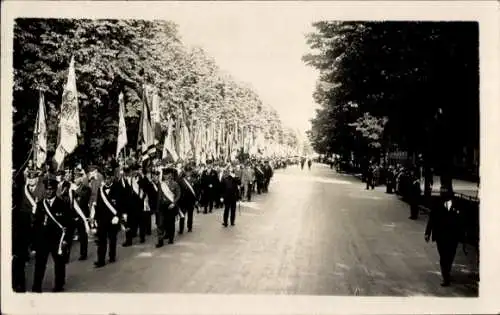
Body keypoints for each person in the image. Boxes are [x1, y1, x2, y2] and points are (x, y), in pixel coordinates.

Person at [31, 175, 73, 292]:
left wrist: (66, 241)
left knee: (59, 264)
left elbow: (69, 225)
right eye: (47, 189)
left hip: (57, 240)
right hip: (43, 240)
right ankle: (36, 287)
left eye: (51, 189)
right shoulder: (40, 205)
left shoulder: (62, 204)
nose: (48, 191)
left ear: (55, 190)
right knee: (39, 265)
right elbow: (35, 226)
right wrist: (34, 245)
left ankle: (59, 285)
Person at [425, 187, 465, 287]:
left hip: (453, 236)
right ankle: (446, 277)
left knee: (450, 256)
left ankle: (447, 270)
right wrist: (427, 233)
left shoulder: (458, 205)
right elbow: (431, 219)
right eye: (442, 194)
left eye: (446, 194)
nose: (443, 196)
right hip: (440, 236)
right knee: (443, 257)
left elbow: (462, 222)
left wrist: (463, 235)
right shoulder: (436, 204)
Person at [91, 167, 124, 268]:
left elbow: (121, 204)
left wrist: (118, 216)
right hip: (102, 219)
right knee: (101, 240)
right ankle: (101, 260)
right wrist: (95, 219)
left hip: (113, 219)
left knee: (112, 239)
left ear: (112, 178)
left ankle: (112, 256)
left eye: (109, 178)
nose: (107, 180)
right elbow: (98, 206)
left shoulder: (118, 188)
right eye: (106, 179)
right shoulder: (100, 190)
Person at [68, 168, 92, 260]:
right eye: (74, 177)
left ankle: (83, 254)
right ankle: (66, 256)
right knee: (69, 236)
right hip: (72, 215)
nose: (75, 179)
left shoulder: (86, 189)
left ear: (81, 179)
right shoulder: (70, 188)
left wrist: (75, 190)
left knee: (83, 236)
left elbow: (84, 199)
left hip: (82, 214)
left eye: (77, 177)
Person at [156, 167, 181, 245]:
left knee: (171, 223)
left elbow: (178, 195)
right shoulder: (161, 184)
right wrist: (157, 207)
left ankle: (171, 238)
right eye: (164, 175)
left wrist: (174, 203)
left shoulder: (175, 184)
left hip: (171, 206)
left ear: (171, 175)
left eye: (167, 174)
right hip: (162, 207)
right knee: (160, 224)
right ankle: (160, 241)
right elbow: (159, 196)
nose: (166, 176)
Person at [177, 166, 199, 234]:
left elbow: (197, 191)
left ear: (191, 172)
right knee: (182, 215)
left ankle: (189, 227)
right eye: (187, 172)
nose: (188, 173)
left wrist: (197, 200)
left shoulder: (194, 180)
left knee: (190, 215)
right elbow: (179, 190)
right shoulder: (181, 180)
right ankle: (181, 229)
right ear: (185, 172)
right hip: (183, 201)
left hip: (191, 200)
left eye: (189, 172)